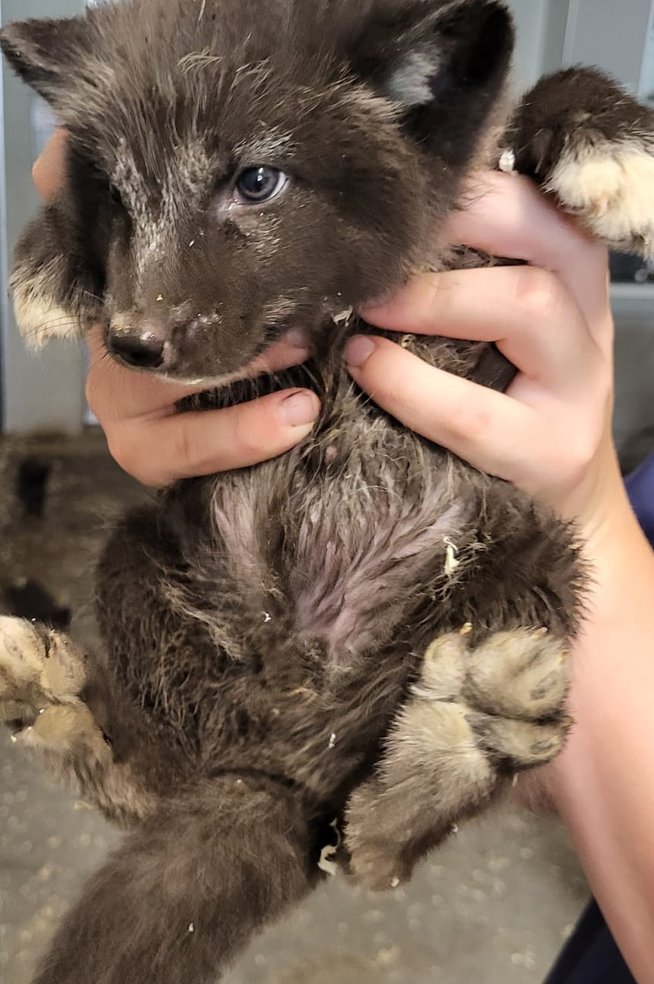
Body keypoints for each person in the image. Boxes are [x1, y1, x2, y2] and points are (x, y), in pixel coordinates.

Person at [33, 133, 654, 983]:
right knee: (137, 555)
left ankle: (429, 767)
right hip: (283, 591)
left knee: (535, 583)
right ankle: (161, 757)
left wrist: (592, 516)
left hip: (436, 591)